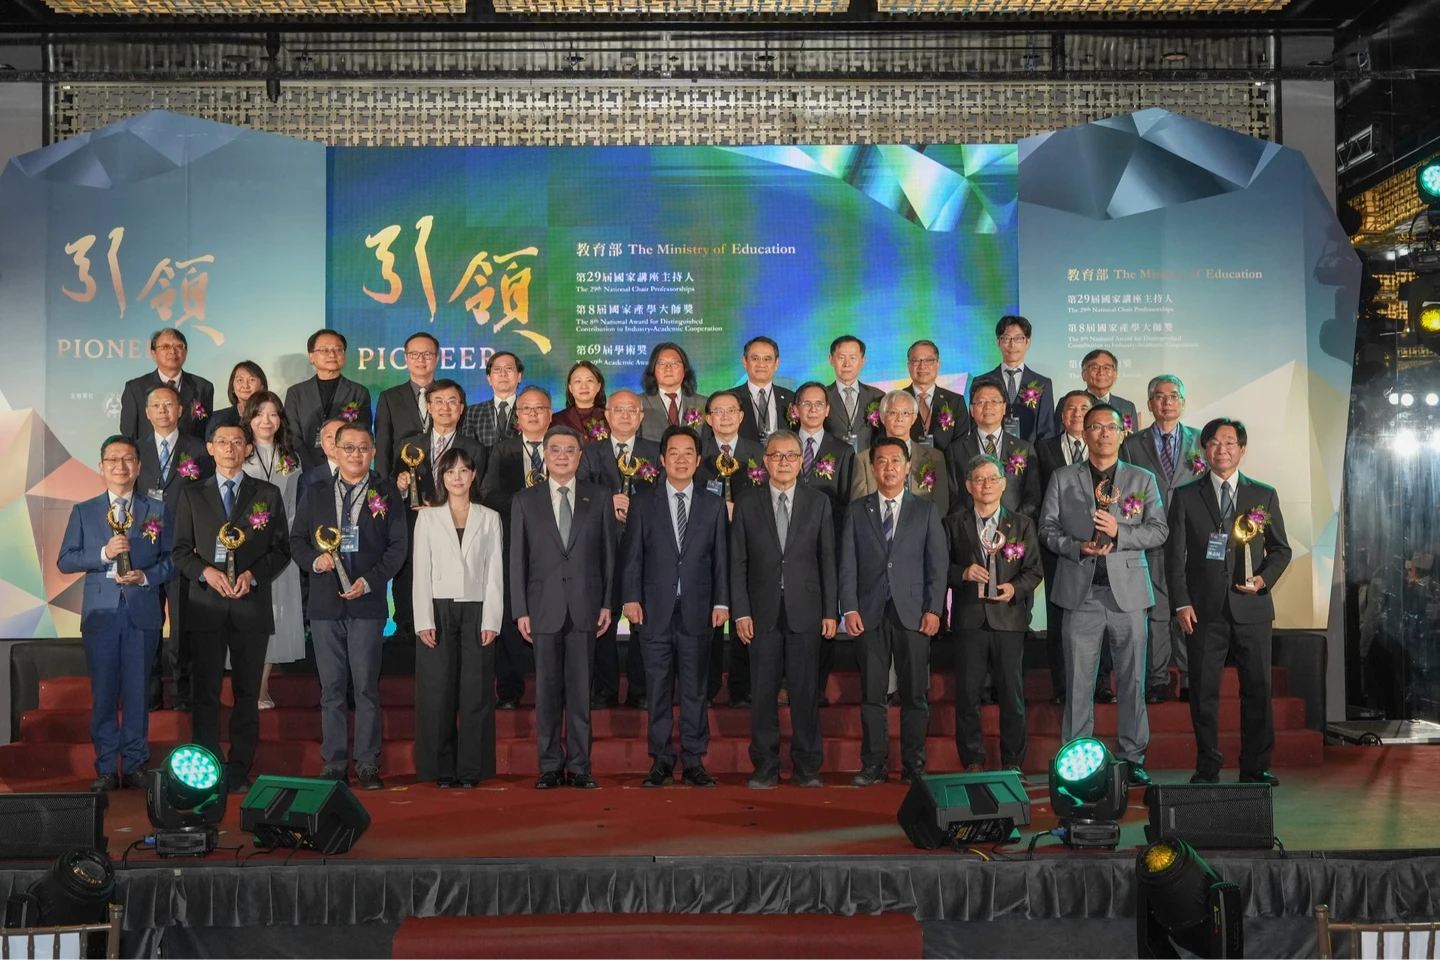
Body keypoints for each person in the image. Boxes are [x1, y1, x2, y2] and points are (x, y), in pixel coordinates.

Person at [1039, 403, 1167, 788]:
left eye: (1110, 427)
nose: (1103, 433)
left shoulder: (1141, 479)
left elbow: (1159, 530)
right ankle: (1077, 760)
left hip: (1128, 595)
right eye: (1095, 427)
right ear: (1085, 433)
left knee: (1132, 680)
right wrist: (1076, 547)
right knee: (1078, 684)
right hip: (1081, 595)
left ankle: (1133, 756)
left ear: (1121, 433)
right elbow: (1046, 529)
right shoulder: (1063, 477)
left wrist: (1119, 532)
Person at [1166, 418, 1291, 787]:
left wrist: (1263, 578)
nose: (1222, 449)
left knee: (1257, 689)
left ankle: (1255, 766)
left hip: (1251, 609)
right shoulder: (1186, 495)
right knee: (1203, 692)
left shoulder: (1263, 494)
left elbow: (1281, 550)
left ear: (1242, 449)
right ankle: (1208, 766)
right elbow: (1174, 556)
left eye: (1229, 443)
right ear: (1204, 450)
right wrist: (1181, 603)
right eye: (1214, 443)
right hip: (1203, 610)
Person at [172, 423, 291, 794]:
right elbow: (179, 551)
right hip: (206, 607)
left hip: (250, 607)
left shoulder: (267, 493)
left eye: (237, 442)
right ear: (210, 448)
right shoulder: (192, 494)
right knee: (205, 693)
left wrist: (253, 576)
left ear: (248, 449)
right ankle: (205, 771)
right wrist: (206, 572)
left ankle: (240, 769)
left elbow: (281, 550)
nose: (229, 448)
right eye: (222, 442)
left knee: (247, 694)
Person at [289, 423, 408, 789]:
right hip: (325, 606)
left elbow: (398, 547)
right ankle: (334, 762)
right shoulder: (316, 492)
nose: (356, 454)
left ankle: (368, 762)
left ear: (373, 452)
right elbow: (297, 541)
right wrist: (315, 561)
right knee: (332, 689)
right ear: (335, 452)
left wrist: (370, 581)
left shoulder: (387, 493)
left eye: (363, 448)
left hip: (368, 604)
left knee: (366, 686)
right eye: (349, 448)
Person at [57, 437, 173, 792]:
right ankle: (107, 766)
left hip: (142, 612)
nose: (120, 466)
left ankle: (135, 764)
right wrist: (103, 553)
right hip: (101, 615)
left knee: (138, 692)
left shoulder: (157, 510)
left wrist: (146, 576)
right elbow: (65, 560)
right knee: (104, 693)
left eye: (128, 459)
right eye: (113, 460)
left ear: (138, 467)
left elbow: (173, 560)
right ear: (101, 467)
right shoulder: (84, 511)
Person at [622, 426, 729, 788]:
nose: (681, 460)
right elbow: (632, 556)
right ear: (662, 459)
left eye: (688, 454)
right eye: (674, 453)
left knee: (696, 689)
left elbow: (721, 560)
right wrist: (630, 598)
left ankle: (694, 760)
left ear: (698, 461)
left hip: (698, 610)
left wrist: (721, 601)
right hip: (654, 611)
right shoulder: (643, 502)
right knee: (658, 689)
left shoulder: (713, 505)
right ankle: (661, 760)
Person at [510, 426, 616, 790]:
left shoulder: (598, 497)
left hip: (586, 606)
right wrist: (520, 610)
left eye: (570, 450)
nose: (562, 456)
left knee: (580, 692)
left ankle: (581, 766)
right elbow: (517, 560)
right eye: (554, 449)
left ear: (579, 455)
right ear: (544, 454)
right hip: (542, 608)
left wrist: (607, 603)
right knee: (547, 692)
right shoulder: (525, 500)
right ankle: (550, 766)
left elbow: (608, 556)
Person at [731, 430, 837, 789]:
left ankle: (807, 765)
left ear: (801, 461)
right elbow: (737, 562)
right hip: (760, 612)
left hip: (806, 610)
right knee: (763, 694)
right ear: (765, 461)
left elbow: (828, 560)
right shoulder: (747, 502)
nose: (784, 462)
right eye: (776, 456)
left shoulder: (819, 502)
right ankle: (765, 765)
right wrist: (741, 611)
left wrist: (830, 611)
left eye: (791, 456)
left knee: (805, 693)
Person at [840, 437, 946, 786]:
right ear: (872, 468)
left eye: (895, 461)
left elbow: (937, 565)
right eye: (882, 461)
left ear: (907, 466)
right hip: (869, 613)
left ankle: (914, 764)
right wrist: (849, 607)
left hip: (914, 613)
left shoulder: (925, 510)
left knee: (915, 694)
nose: (889, 468)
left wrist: (934, 609)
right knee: (873, 694)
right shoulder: (857, 510)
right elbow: (847, 565)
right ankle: (874, 764)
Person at [411, 447, 505, 787]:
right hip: (438, 608)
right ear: (442, 477)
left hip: (477, 608)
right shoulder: (428, 517)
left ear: (474, 475)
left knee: (476, 690)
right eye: (451, 471)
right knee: (438, 690)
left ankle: (471, 769)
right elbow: (420, 570)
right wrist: (423, 619)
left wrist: (492, 619)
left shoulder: (489, 517)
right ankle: (441, 769)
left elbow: (495, 572)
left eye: (464, 470)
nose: (457, 477)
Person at [946, 453, 1042, 775]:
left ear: (1003, 484)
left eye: (992, 479)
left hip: (1009, 620)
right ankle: (972, 761)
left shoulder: (1022, 524)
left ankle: (1013, 763)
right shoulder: (953, 524)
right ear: (968, 486)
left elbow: (1034, 570)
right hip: (969, 621)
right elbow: (940, 568)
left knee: (1012, 697)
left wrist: (1014, 588)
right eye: (979, 479)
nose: (986, 485)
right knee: (968, 695)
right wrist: (962, 573)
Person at [1121, 375, 1204, 705]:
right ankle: (1157, 679)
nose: (1167, 402)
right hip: (1151, 537)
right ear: (1149, 403)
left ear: (1183, 402)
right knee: (1155, 611)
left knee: (1187, 609)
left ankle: (1189, 678)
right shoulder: (1132, 444)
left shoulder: (1201, 441)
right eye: (1159, 396)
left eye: (1173, 396)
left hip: (1191, 540)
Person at [578, 388, 661, 709]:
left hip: (646, 549)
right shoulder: (589, 453)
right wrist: (606, 502)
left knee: (644, 620)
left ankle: (640, 689)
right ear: (607, 415)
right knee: (604, 620)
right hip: (602, 550)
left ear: (641, 417)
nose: (625, 416)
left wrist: (637, 508)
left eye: (631, 410)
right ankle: (605, 689)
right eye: (618, 410)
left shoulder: (656, 451)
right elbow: (578, 494)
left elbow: (665, 494)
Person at [392, 379, 488, 651]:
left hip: (458, 532)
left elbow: (479, 494)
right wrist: (401, 487)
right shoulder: (409, 444)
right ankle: (407, 639)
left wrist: (439, 511)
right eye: (439, 402)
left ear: (462, 408)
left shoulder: (475, 449)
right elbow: (392, 488)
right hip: (415, 528)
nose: (446, 407)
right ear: (429, 407)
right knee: (412, 584)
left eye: (452, 401)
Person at [134, 383, 213, 710]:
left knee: (182, 627)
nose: (163, 411)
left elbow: (208, 498)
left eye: (169, 405)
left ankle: (184, 694)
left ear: (180, 411)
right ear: (147, 412)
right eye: (156, 405)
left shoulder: (199, 449)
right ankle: (151, 692)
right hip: (145, 551)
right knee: (148, 624)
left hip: (184, 549)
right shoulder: (135, 450)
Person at [480, 384, 553, 709]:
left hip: (558, 546)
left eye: (540, 408)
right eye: (526, 409)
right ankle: (509, 690)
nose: (533, 414)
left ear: (550, 414)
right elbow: (488, 492)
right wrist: (524, 506)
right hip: (513, 541)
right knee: (511, 613)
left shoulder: (565, 446)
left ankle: (558, 687)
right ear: (517, 416)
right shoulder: (503, 449)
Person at [696, 390, 766, 706]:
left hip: (749, 546)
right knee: (707, 619)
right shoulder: (697, 452)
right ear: (708, 419)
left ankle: (742, 688)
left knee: (745, 614)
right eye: (718, 412)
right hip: (706, 548)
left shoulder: (759, 452)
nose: (725, 417)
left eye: (731, 411)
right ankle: (707, 688)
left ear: (741, 416)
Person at [241, 392, 307, 709]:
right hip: (246, 548)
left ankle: (262, 684)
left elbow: (295, 505)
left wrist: (287, 535)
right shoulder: (240, 452)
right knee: (250, 616)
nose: (266, 421)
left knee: (277, 615)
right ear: (249, 418)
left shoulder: (291, 458)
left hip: (282, 548)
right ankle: (248, 682)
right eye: (259, 414)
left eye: (273, 414)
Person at [794, 381, 856, 700]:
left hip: (826, 546)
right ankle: (788, 684)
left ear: (828, 410)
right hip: (786, 548)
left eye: (819, 404)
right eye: (807, 404)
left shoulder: (843, 451)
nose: (813, 410)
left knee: (825, 614)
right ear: (796, 410)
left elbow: (846, 504)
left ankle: (817, 687)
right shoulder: (781, 445)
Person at [1035, 390, 1095, 705]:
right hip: (1056, 546)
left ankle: (1101, 684)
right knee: (1059, 617)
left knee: (1099, 615)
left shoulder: (1105, 448)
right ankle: (1061, 686)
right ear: (1061, 415)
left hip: (1096, 546)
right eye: (1070, 408)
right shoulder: (1042, 448)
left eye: (1084, 407)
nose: (1077, 413)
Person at [945, 378, 1040, 520]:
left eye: (994, 401)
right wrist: (974, 524)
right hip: (970, 528)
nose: (988, 407)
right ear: (972, 410)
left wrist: (1012, 524)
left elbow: (1033, 496)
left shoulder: (1024, 448)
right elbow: (953, 496)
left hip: (1014, 528)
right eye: (981, 402)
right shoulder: (955, 450)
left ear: (1004, 408)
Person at [284, 330, 373, 471]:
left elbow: (361, 434)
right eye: (324, 350)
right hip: (306, 469)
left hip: (346, 469)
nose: (332, 354)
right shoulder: (296, 393)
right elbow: (293, 435)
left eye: (338, 349)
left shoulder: (358, 392)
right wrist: (310, 468)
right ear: (311, 356)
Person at [852, 390, 950, 516]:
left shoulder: (935, 457)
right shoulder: (864, 460)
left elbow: (941, 506)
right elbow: (859, 511)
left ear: (914, 418)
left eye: (905, 413)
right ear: (882, 417)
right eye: (893, 412)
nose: (899, 418)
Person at [119, 328, 215, 442]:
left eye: (178, 346)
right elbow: (129, 435)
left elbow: (206, 431)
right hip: (148, 452)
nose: (172, 351)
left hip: (190, 452)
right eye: (165, 347)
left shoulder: (203, 387)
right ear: (154, 353)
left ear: (186, 352)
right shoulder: (135, 388)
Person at [374, 331, 440, 486]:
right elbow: (383, 447)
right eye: (414, 354)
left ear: (437, 358)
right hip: (401, 482)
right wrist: (383, 487)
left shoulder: (448, 395)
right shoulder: (389, 398)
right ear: (405, 358)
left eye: (427, 354)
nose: (421, 359)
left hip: (443, 482)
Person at [982, 315, 1057, 443]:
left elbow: (1046, 431)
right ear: (998, 342)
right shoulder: (982, 382)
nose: (1012, 345)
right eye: (1006, 338)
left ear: (1027, 342)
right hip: (991, 451)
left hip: (1030, 452)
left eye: (1018, 338)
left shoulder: (1043, 384)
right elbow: (976, 427)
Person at [903, 339, 969, 452]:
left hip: (945, 462)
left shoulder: (955, 401)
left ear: (938, 365)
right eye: (916, 360)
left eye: (929, 360)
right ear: (909, 366)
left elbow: (960, 444)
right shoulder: (897, 400)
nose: (922, 366)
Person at [725, 336, 794, 443]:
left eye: (767, 359)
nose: (761, 364)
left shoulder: (791, 398)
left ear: (776, 363)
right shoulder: (728, 399)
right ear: (744, 361)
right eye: (755, 358)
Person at [825, 335, 885, 451]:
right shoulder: (822, 396)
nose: (846, 364)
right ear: (831, 359)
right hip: (832, 460)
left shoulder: (878, 396)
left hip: (867, 459)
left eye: (852, 358)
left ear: (862, 361)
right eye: (841, 357)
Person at [639, 342, 705, 443]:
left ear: (685, 370)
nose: (668, 368)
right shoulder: (639, 403)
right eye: (662, 364)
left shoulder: (703, 403)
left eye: (674, 363)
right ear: (653, 370)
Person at [460, 350, 522, 447]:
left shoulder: (528, 410)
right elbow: (469, 449)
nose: (503, 373)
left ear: (519, 376)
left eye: (509, 368)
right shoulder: (472, 412)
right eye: (497, 369)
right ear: (489, 378)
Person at [207, 361, 268, 440]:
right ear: (232, 387)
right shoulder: (218, 419)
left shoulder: (272, 417)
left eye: (251, 380)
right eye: (240, 380)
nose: (245, 385)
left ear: (262, 386)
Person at [550, 360, 608, 443]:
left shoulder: (610, 417)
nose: (584, 386)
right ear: (570, 388)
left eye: (589, 380)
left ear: (599, 386)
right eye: (578, 381)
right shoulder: (556, 420)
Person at [1081, 349, 1139, 431]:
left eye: (1106, 368)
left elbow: (1133, 438)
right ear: (1083, 374)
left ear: (1115, 375)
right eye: (1095, 368)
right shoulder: (1068, 404)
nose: (1101, 372)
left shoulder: (1127, 407)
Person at [302, 417, 347, 491]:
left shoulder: (364, 473)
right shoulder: (308, 479)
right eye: (329, 437)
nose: (334, 441)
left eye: (339, 435)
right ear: (322, 443)